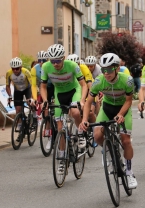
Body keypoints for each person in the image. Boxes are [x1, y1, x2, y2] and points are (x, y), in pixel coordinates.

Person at [79, 53, 138, 189]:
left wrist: (121, 114)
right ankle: (108, 150)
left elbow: (129, 101)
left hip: (123, 108)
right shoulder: (99, 81)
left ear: (117, 68)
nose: (106, 73)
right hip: (107, 108)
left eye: (110, 69)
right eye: (104, 69)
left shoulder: (127, 80)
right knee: (97, 135)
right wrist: (84, 120)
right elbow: (88, 102)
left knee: (126, 141)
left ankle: (129, 173)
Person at [41, 44, 88, 175]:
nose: (55, 64)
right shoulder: (46, 67)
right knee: (60, 128)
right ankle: (62, 159)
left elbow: (83, 85)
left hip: (74, 91)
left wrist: (82, 100)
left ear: (64, 58)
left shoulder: (72, 66)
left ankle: (80, 133)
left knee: (75, 111)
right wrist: (45, 100)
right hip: (59, 94)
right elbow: (43, 86)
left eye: (58, 60)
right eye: (52, 61)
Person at [31, 51, 55, 149]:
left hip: (54, 87)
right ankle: (48, 131)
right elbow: (33, 85)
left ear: (47, 60)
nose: (41, 62)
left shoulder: (52, 67)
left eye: (44, 60)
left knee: (55, 109)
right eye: (40, 60)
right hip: (44, 88)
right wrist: (35, 99)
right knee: (45, 109)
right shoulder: (34, 69)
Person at [6, 57, 35, 133]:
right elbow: (7, 86)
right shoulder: (9, 73)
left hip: (27, 89)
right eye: (13, 69)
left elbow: (32, 85)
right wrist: (9, 96)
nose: (15, 71)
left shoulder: (26, 72)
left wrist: (32, 97)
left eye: (17, 68)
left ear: (21, 67)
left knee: (31, 103)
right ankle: (20, 126)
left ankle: (34, 117)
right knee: (18, 110)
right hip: (18, 90)